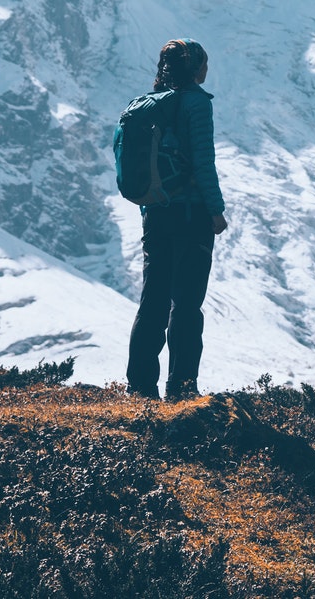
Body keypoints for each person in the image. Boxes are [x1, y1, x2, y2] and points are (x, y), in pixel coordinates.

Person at [125, 38, 227, 400]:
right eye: (204, 62)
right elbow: (203, 162)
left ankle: (139, 388)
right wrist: (215, 210)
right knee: (186, 305)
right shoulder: (196, 104)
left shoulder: (150, 106)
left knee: (152, 300)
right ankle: (182, 389)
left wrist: (151, 208)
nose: (206, 69)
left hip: (156, 214)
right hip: (191, 215)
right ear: (195, 67)